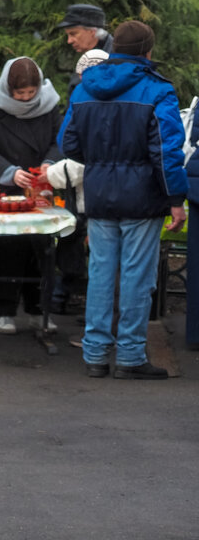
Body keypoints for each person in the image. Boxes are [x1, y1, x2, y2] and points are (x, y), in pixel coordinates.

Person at [59, 20, 187, 379]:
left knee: (100, 273)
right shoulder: (156, 90)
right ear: (148, 52)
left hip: (100, 194)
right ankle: (130, 356)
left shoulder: (85, 89)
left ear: (114, 50)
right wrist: (175, 197)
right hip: (142, 197)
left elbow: (68, 144)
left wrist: (102, 163)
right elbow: (166, 150)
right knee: (136, 277)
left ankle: (95, 354)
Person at [0, 57, 62, 334]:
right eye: (19, 94)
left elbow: (60, 140)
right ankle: (3, 311)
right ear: (8, 89)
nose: (26, 98)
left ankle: (37, 309)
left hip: (37, 187)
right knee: (1, 250)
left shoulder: (49, 104)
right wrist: (9, 172)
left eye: (31, 93)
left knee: (39, 249)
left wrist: (49, 164)